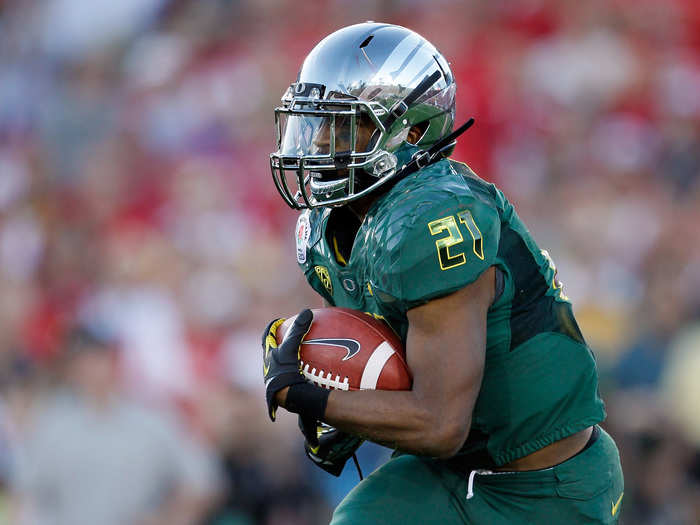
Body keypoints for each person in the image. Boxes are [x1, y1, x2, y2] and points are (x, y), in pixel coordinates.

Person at [262, 22, 624, 524]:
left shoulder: (433, 218)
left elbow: (438, 422)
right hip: (442, 473)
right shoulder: (328, 227)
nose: (321, 143)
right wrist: (340, 408)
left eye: (344, 126)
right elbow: (380, 351)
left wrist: (311, 396)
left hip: (545, 486)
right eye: (317, 124)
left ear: (409, 131)